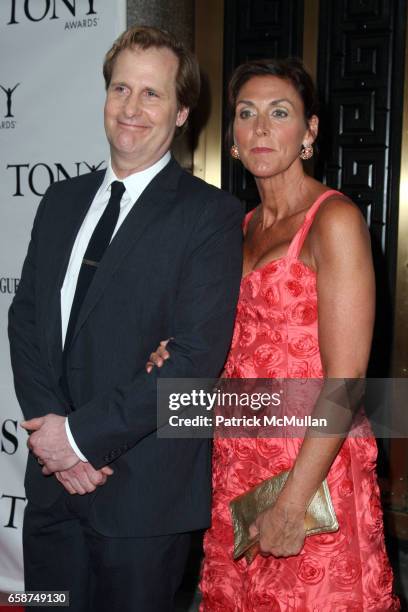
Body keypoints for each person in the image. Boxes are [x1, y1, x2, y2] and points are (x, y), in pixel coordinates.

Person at [146, 58, 400, 610]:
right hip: (237, 465)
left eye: (279, 113)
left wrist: (291, 502)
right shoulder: (236, 228)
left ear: (309, 131)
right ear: (232, 138)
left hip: (310, 468)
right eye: (247, 114)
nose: (261, 128)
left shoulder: (334, 221)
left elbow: (348, 379)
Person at [8, 25, 243, 612]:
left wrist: (81, 442)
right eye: (120, 89)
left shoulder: (210, 216)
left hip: (143, 500)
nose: (131, 109)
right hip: (52, 496)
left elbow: (192, 363)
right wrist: (52, 437)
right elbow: (25, 318)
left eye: (152, 94)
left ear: (183, 111)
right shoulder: (60, 201)